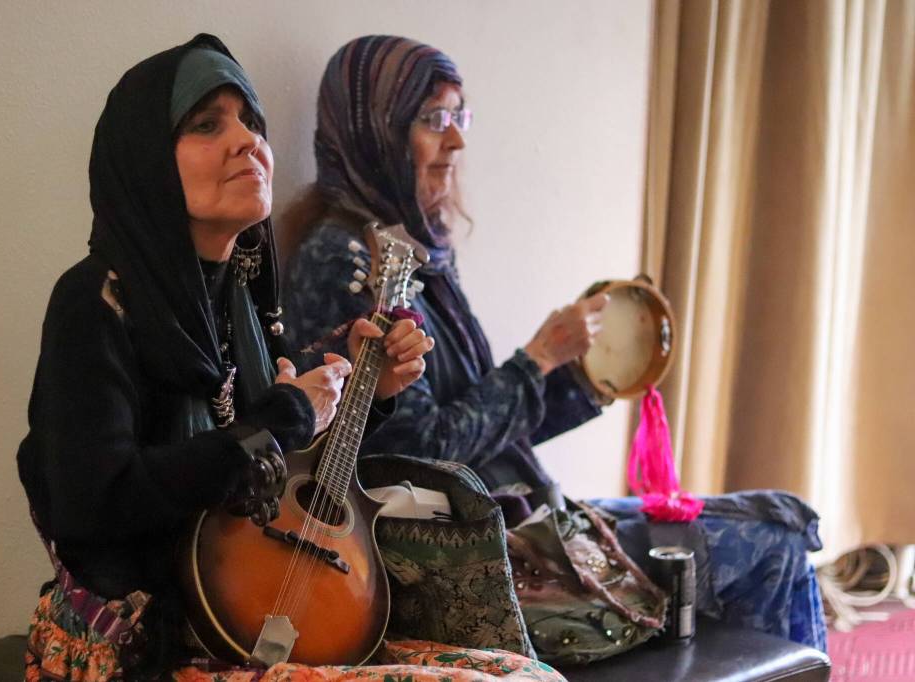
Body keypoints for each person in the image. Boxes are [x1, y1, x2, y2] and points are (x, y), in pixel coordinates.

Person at [17, 34, 556, 682]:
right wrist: (282, 416)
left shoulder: (242, 294)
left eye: (253, 122)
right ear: (144, 159)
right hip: (142, 641)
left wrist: (368, 392)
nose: (247, 141)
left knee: (520, 672)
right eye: (207, 124)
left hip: (247, 607)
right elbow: (95, 505)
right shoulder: (94, 303)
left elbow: (284, 468)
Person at [281, 34, 827, 653]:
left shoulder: (414, 252)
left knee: (782, 517)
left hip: (512, 519)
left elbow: (485, 431)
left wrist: (583, 377)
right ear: (374, 131)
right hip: (472, 556)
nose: (456, 140)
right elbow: (418, 454)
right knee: (776, 539)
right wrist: (537, 358)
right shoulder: (345, 261)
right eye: (433, 119)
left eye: (460, 117)